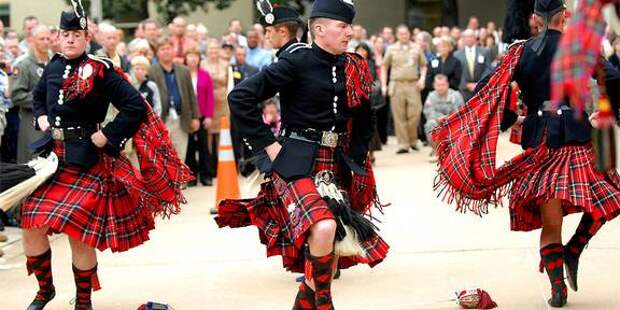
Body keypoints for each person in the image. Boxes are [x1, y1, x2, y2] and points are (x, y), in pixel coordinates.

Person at [433, 0, 620, 308]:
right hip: (575, 134)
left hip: (539, 138)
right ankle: (574, 249)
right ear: (564, 16)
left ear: (535, 19)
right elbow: (611, 78)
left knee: (552, 221)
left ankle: (558, 288)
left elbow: (489, 90)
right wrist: (604, 111)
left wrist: (510, 119)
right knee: (609, 196)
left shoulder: (519, 53)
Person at [216, 1, 388, 308]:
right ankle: (323, 303)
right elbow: (240, 97)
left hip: (333, 164)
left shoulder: (353, 64)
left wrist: (357, 157)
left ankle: (306, 302)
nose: (350, 32)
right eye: (343, 26)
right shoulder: (297, 61)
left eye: (350, 26)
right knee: (324, 227)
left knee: (328, 240)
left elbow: (365, 115)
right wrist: (268, 146)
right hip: (296, 161)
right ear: (319, 29)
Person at [20, 2, 191, 309]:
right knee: (31, 224)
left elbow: (135, 106)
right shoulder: (54, 66)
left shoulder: (101, 70)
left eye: (76, 34)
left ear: (87, 38)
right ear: (58, 37)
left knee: (78, 235)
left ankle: (83, 302)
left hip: (87, 160)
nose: (70, 39)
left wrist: (110, 134)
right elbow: (38, 96)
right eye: (65, 34)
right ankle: (45, 291)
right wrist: (41, 117)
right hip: (52, 162)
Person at [149, 36, 201, 162]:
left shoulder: (184, 71)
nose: (166, 51)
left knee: (179, 157)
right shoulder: (151, 71)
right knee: (162, 157)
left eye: (168, 48)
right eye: (162, 49)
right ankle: (165, 182)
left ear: (173, 50)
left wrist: (195, 117)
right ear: (157, 53)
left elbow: (191, 95)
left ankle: (179, 183)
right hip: (161, 120)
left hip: (181, 119)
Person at [382, 24, 428, 153]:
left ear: (409, 34)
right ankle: (403, 144)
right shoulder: (391, 49)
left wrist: (422, 79)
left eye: (406, 33)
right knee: (399, 116)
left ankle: (412, 140)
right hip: (396, 84)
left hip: (413, 84)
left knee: (415, 113)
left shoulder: (416, 47)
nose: (404, 36)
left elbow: (424, 65)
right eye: (401, 34)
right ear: (397, 35)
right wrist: (384, 85)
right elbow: (384, 67)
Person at [12, 25, 51, 164]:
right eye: (42, 39)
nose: (46, 42)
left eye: (48, 38)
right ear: (33, 41)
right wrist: (43, 100)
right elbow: (17, 96)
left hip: (53, 121)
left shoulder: (55, 63)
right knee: (33, 160)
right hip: (32, 121)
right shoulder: (23, 65)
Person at [184, 47, 215, 186]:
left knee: (203, 146)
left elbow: (210, 97)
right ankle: (191, 177)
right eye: (190, 56)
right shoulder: (182, 74)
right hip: (188, 115)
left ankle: (206, 176)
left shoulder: (205, 75)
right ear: (186, 58)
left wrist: (208, 116)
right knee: (189, 147)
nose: (193, 59)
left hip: (202, 114)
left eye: (195, 56)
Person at [423, 74, 464, 155]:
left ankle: (456, 151)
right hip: (437, 121)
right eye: (438, 85)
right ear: (434, 85)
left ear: (447, 85)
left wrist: (448, 118)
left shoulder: (455, 95)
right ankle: (437, 150)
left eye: (443, 85)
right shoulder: (431, 96)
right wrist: (440, 118)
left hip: (453, 121)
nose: (440, 87)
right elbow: (428, 112)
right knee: (430, 124)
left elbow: (461, 111)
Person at [455, 29, 491, 101]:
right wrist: (466, 84)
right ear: (463, 39)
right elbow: (457, 72)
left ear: (475, 38)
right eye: (466, 37)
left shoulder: (484, 52)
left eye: (471, 36)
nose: (469, 39)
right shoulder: (457, 54)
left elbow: (488, 68)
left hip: (481, 88)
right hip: (464, 90)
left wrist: (479, 83)